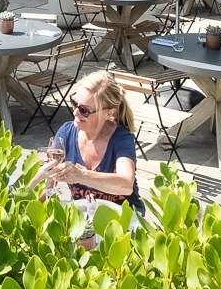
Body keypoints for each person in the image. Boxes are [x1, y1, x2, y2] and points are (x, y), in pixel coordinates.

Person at [40, 70, 143, 235]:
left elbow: (126, 184)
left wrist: (81, 175)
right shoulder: (65, 134)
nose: (75, 112)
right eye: (74, 103)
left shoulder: (121, 138)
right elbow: (48, 187)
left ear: (109, 113)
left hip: (123, 221)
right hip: (84, 220)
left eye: (84, 110)